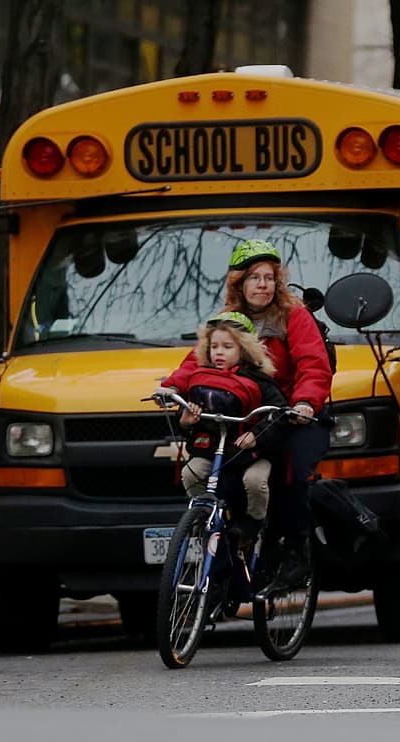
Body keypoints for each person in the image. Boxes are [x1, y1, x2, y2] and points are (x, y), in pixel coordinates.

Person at [157, 239, 334, 596]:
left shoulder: (294, 315)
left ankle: (296, 551)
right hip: (242, 417)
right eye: (254, 277)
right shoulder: (228, 319)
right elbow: (198, 361)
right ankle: (226, 561)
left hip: (289, 412)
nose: (263, 285)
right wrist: (172, 387)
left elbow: (314, 365)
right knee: (220, 477)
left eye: (269, 278)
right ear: (240, 283)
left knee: (292, 469)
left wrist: (304, 403)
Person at [156, 311, 287, 550]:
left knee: (255, 481)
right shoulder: (200, 378)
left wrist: (256, 436)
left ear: (244, 349)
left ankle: (253, 522)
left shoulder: (260, 381)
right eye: (214, 346)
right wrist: (186, 420)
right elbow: (188, 417)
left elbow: (278, 414)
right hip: (213, 449)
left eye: (227, 347)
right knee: (191, 473)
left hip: (252, 452)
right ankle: (203, 514)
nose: (219, 352)